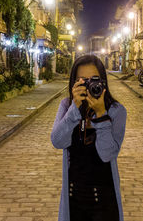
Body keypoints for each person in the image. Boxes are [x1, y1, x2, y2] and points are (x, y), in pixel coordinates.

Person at [51, 55, 127, 221]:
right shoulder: (66, 106)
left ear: (103, 82)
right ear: (74, 83)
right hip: (73, 201)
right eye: (82, 80)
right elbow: (57, 141)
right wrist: (74, 110)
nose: (89, 85)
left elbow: (107, 154)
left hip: (104, 201)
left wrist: (101, 115)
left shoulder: (116, 111)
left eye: (93, 79)